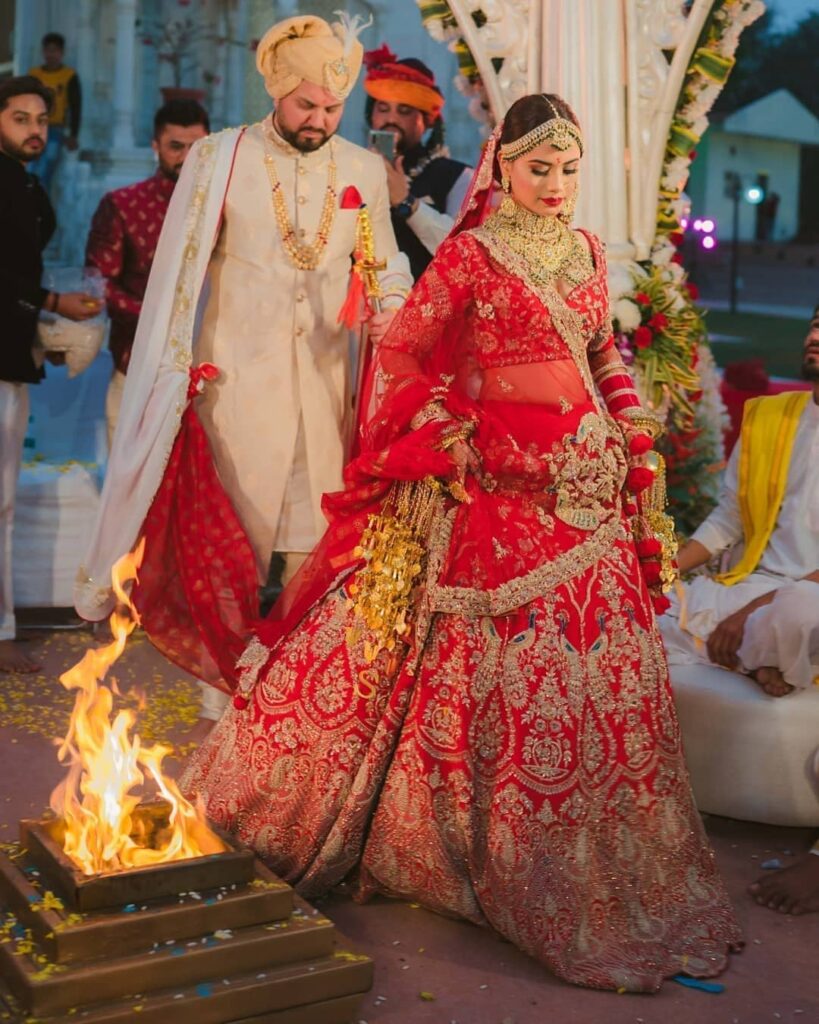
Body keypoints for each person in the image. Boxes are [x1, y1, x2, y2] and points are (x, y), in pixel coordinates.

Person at [181, 94, 741, 992]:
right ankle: (459, 844)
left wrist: (633, 435)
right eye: (538, 169)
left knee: (591, 678)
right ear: (502, 168)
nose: (556, 187)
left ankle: (578, 855)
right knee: (458, 666)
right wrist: (462, 437)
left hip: (587, 499)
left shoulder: (591, 253)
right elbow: (402, 356)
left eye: (567, 170)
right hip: (489, 495)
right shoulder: (470, 255)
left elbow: (604, 356)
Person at [74, 14, 412, 727]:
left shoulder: (358, 170)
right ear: (276, 90)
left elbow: (388, 263)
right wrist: (169, 378)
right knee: (233, 554)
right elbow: (178, 271)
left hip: (326, 395)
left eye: (331, 109)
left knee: (313, 555)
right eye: (306, 106)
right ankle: (218, 706)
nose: (319, 120)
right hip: (233, 394)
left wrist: (392, 307)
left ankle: (294, 713)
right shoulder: (218, 158)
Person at [662, 306, 819, 697]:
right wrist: (664, 570)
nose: (814, 337)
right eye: (815, 326)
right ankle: (763, 659)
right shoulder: (770, 417)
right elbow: (730, 517)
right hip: (752, 583)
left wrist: (746, 614)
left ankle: (753, 649)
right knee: (641, 612)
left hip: (802, 599)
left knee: (798, 613)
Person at [0, 76, 100, 674]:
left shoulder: (28, 185)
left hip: (9, 361)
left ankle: (4, 628)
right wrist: (51, 304)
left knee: (3, 503)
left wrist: (42, 330)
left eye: (41, 119)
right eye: (19, 118)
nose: (34, 129)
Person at [86, 99, 211, 446]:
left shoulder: (226, 209)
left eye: (197, 147)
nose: (187, 157)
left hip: (212, 373)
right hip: (138, 366)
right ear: (155, 146)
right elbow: (98, 284)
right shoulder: (123, 204)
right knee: (128, 492)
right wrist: (162, 321)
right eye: (175, 146)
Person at [363, 45, 471, 279]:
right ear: (371, 115)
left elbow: (461, 255)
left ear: (428, 121)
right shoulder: (351, 169)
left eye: (404, 111)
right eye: (383, 108)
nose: (391, 118)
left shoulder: (458, 177)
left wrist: (406, 203)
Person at [27, 33, 81, 191]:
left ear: (62, 53)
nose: (51, 55)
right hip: (34, 129)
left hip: (55, 130)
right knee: (31, 169)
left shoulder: (68, 76)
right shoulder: (35, 75)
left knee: (45, 170)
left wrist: (73, 135)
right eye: (48, 50)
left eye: (55, 51)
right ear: (43, 52)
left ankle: (40, 210)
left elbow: (75, 106)